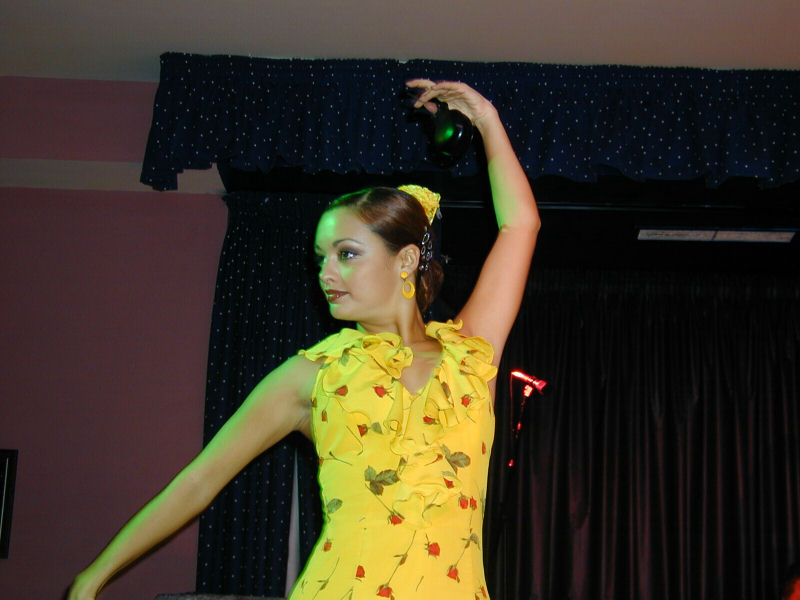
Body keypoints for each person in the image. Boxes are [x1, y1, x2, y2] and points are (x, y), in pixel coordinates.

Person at [68, 79, 540, 600]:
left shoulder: (471, 352)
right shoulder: (311, 375)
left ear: (405, 259)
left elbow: (520, 225)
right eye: (321, 258)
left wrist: (487, 119)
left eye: (347, 254)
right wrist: (93, 578)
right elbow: (200, 481)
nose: (326, 273)